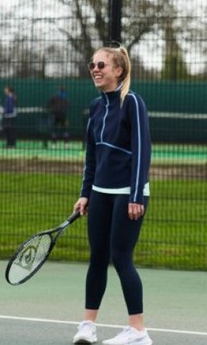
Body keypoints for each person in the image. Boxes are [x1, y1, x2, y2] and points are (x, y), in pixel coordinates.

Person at [72, 45, 152, 345]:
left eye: (101, 65)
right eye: (92, 64)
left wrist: (135, 195)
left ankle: (138, 331)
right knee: (97, 258)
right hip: (100, 193)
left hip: (128, 194)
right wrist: (85, 193)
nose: (95, 69)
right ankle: (87, 326)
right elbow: (91, 156)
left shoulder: (132, 101)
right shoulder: (95, 107)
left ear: (118, 70)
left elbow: (143, 151)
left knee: (121, 257)